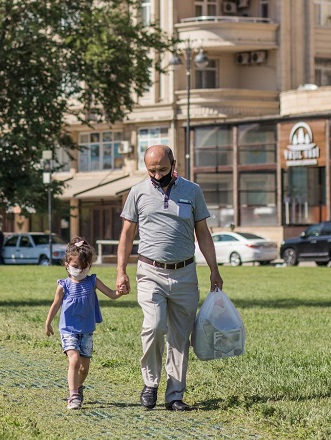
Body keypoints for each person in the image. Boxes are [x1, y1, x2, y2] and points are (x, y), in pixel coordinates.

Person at [116, 145, 222, 412]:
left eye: (162, 169)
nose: (157, 174)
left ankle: (174, 395)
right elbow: (127, 234)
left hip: (185, 273)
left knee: (179, 337)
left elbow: (203, 233)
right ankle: (150, 383)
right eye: (151, 170)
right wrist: (120, 271)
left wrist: (214, 269)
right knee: (153, 325)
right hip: (150, 271)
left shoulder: (192, 191)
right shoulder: (137, 192)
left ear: (174, 163)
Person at [45, 237, 122, 410]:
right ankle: (73, 396)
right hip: (68, 330)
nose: (80, 270)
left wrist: (120, 291)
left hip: (87, 331)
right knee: (74, 361)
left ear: (90, 266)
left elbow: (111, 293)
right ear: (66, 264)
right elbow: (55, 304)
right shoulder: (63, 285)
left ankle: (78, 388)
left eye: (84, 267)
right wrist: (48, 322)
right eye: (76, 266)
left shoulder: (92, 281)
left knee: (84, 368)